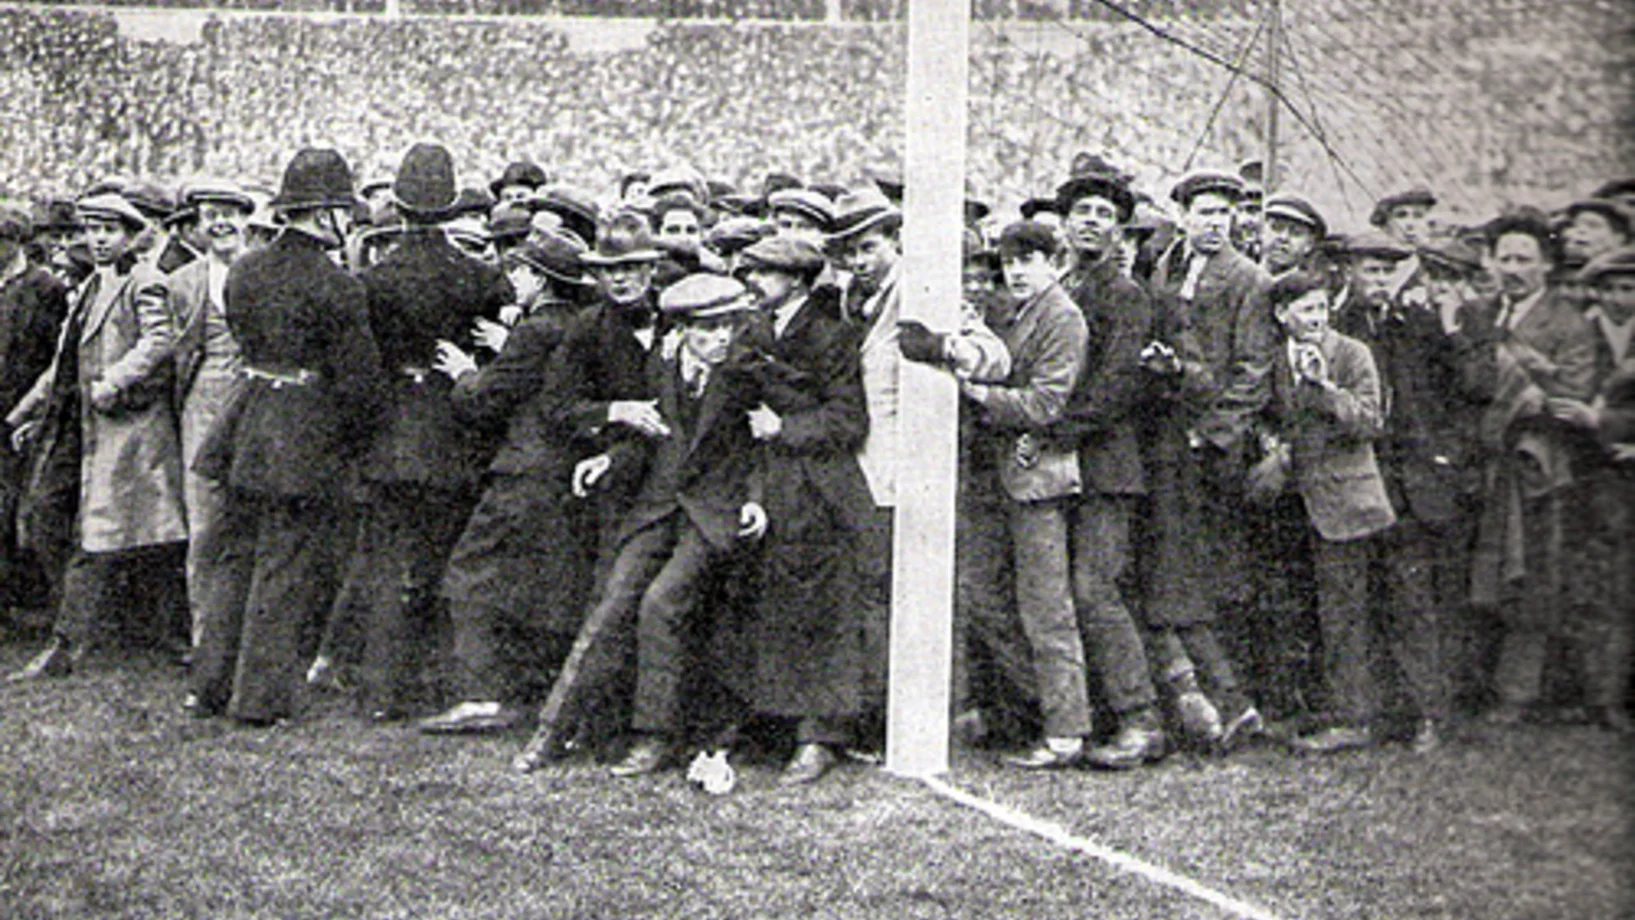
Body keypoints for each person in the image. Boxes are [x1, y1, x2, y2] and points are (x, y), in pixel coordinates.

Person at [187, 148, 382, 724]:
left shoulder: (245, 269)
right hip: (301, 432)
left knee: (233, 561)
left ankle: (209, 687)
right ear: (326, 216)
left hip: (246, 423)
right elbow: (360, 386)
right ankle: (261, 699)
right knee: (284, 567)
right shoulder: (338, 286)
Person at [345, 143, 513, 721]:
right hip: (453, 428)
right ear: (450, 206)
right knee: (448, 564)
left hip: (393, 429)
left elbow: (362, 368)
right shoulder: (482, 277)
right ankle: (443, 685)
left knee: (388, 565)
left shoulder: (373, 279)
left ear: (397, 203)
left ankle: (380, 692)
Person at [581, 274, 769, 777]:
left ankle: (654, 737)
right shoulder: (661, 366)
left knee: (662, 602)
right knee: (616, 595)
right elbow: (652, 434)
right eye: (709, 328)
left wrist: (756, 500)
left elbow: (763, 445)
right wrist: (611, 460)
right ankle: (593, 725)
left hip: (713, 513)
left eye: (729, 325)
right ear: (683, 330)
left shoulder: (747, 373)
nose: (723, 337)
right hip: (660, 507)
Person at [417, 233, 597, 735]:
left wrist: (466, 371)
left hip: (524, 469)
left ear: (539, 280)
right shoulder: (576, 324)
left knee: (469, 573)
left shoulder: (534, 331)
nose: (512, 280)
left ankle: (482, 695)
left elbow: (484, 400)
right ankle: (532, 690)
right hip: (561, 471)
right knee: (545, 585)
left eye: (519, 272)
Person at [512, 218, 672, 772]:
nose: (622, 281)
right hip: (623, 484)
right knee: (611, 601)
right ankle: (564, 730)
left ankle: (674, 733)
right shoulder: (586, 329)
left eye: (631, 269)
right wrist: (614, 413)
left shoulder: (684, 316)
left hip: (689, 479)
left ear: (652, 269)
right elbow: (557, 406)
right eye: (610, 272)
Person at [6, 193, 187, 681]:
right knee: (46, 515)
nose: (99, 239)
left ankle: (73, 642)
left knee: (119, 536)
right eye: (93, 230)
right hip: (77, 423)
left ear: (130, 234)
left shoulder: (145, 280)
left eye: (109, 230)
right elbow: (61, 363)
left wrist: (114, 381)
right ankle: (91, 628)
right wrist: (19, 415)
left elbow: (158, 340)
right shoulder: (89, 285)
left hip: (123, 428)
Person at [1333, 232, 1497, 751]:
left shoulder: (1420, 327)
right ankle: (1360, 714)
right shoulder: (1335, 328)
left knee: (1413, 602)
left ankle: (1426, 713)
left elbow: (1470, 388)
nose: (1378, 281)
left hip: (1412, 486)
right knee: (1352, 601)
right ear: (1348, 273)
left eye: (1387, 271)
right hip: (1352, 482)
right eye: (1369, 270)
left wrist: (1442, 455)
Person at [733, 235, 872, 784]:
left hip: (816, 488)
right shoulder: (755, 328)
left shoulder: (831, 336)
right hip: (765, 481)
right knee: (771, 606)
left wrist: (784, 427)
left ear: (796, 279)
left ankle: (819, 736)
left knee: (819, 611)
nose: (754, 279)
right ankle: (773, 725)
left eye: (766, 272)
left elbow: (847, 420)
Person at [957, 221, 1095, 769]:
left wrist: (974, 391)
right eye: (1010, 261)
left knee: (1046, 609)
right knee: (984, 599)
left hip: (1040, 479)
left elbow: (1046, 404)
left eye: (1029, 259)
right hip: (996, 476)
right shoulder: (1002, 310)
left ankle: (1067, 731)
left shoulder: (1062, 317)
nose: (1016, 271)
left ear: (1055, 261)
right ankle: (1042, 709)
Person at [1051, 170, 1176, 767]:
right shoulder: (1061, 285)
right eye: (1082, 212)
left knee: (1095, 588)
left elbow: (1116, 385)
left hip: (1105, 463)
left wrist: (1054, 430)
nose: (1091, 222)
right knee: (1069, 591)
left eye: (1104, 213)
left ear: (1120, 228)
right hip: (1065, 459)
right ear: (1066, 223)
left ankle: (1141, 719)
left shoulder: (1125, 294)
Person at [1143, 169, 1274, 738]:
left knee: (1199, 574)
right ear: (1183, 215)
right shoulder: (1163, 266)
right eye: (1204, 212)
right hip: (1162, 436)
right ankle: (1203, 697)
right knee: (1167, 568)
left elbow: (1253, 371)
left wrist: (1214, 434)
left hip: (1208, 450)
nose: (1214, 223)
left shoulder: (1249, 278)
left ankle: (1226, 695)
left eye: (1224, 213)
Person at [1248, 273, 1398, 753]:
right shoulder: (1275, 361)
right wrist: (1272, 446)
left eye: (1320, 308)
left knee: (1344, 614)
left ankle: (1354, 718)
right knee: (1304, 611)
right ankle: (1314, 710)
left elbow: (1372, 422)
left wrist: (1326, 388)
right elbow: (1271, 418)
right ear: (1281, 315)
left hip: (1345, 505)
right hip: (1296, 503)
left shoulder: (1352, 353)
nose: (1315, 318)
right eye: (1305, 310)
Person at [1468, 214, 1598, 727]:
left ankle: (1517, 693)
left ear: (1546, 264)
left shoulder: (1568, 322)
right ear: (1491, 262)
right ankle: (1474, 683)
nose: (1514, 269)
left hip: (1537, 467)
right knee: (1482, 570)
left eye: (1525, 259)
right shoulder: (1478, 312)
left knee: (1531, 576)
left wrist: (1524, 381)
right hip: (1481, 462)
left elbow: (1573, 395)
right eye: (1505, 258)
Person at [167, 179, 257, 650]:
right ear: (198, 227)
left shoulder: (264, 271)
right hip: (203, 403)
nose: (220, 222)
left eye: (229, 212)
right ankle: (206, 637)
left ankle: (249, 636)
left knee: (254, 520)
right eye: (210, 216)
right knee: (204, 526)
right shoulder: (183, 283)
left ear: (246, 219)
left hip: (258, 401)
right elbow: (176, 355)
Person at [0, 207, 70, 614]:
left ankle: (26, 599)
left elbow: (52, 358)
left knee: (18, 508)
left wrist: (29, 412)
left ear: (17, 243)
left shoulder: (45, 289)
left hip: (20, 413)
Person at [1261, 193, 1327, 278]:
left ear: (1310, 244)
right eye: (1276, 227)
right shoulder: (1242, 278)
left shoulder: (1308, 289)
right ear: (1262, 231)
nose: (1283, 237)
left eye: (1296, 232)